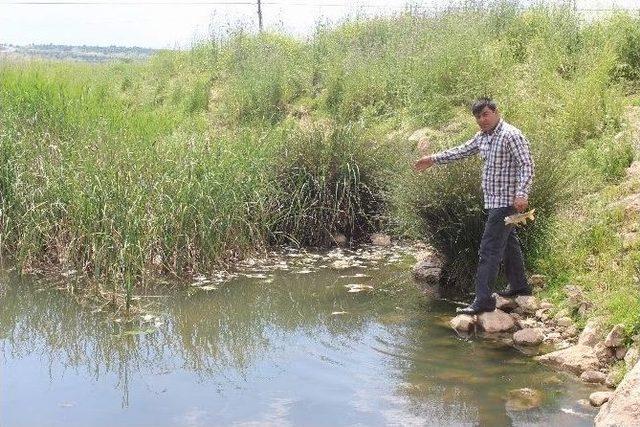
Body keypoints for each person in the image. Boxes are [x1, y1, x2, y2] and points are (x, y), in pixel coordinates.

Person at [413, 97, 535, 315]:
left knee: (488, 249)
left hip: (506, 203)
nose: (482, 120)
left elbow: (526, 165)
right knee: (508, 244)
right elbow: (461, 150)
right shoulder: (483, 137)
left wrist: (522, 193)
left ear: (496, 112)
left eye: (485, 114)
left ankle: (483, 300)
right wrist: (432, 159)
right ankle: (519, 285)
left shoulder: (511, 135)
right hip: (493, 201)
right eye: (478, 117)